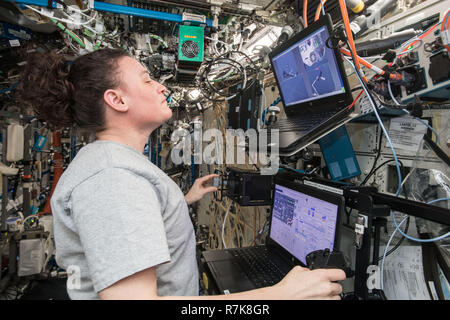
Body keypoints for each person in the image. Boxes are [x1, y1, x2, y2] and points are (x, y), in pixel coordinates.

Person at [17, 48, 345, 300]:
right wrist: (279, 294)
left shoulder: (112, 169)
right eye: (146, 79)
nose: (160, 86)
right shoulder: (113, 181)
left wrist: (176, 201)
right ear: (117, 99)